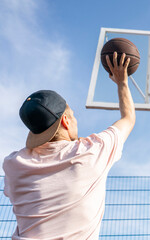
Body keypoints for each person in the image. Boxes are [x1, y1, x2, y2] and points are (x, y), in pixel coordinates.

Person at [2, 52, 135, 240]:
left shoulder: (13, 165)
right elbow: (128, 118)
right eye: (73, 115)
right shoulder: (90, 153)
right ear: (65, 121)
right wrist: (122, 82)